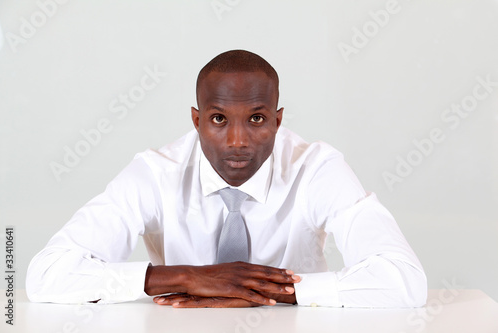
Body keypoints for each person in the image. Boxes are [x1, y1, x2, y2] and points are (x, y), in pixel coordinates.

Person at [26, 50, 427, 308]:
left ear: (277, 119)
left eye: (256, 119)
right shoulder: (155, 173)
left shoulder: (317, 168)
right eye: (218, 119)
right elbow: (46, 276)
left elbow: (404, 279)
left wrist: (264, 293)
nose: (238, 140)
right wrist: (190, 277)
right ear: (197, 120)